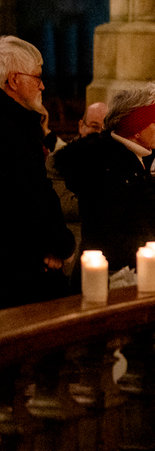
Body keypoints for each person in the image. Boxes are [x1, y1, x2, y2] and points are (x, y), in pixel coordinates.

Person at [55, 84, 155, 274]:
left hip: (127, 270)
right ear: (137, 127)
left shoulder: (131, 159)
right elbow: (103, 236)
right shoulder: (110, 166)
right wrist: (147, 255)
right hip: (109, 277)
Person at [0, 35, 74, 309]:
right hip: (16, 269)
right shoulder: (10, 130)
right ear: (14, 80)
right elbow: (28, 198)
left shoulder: (17, 124)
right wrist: (59, 246)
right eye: (37, 77)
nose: (42, 85)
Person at [46, 100, 109, 277]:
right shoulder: (59, 160)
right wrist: (106, 197)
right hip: (75, 238)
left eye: (105, 129)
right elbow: (63, 205)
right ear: (81, 126)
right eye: (94, 127)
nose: (99, 134)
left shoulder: (116, 158)